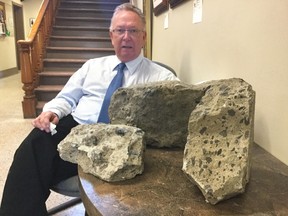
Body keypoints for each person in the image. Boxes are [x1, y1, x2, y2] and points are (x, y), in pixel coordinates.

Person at [0, 3, 178, 216]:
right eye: (120, 30)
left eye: (133, 31)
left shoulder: (162, 77)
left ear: (144, 37)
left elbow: (174, 113)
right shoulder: (92, 66)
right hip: (78, 128)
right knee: (32, 149)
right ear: (111, 35)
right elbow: (66, 97)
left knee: (48, 172)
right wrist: (52, 112)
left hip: (122, 140)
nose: (126, 36)